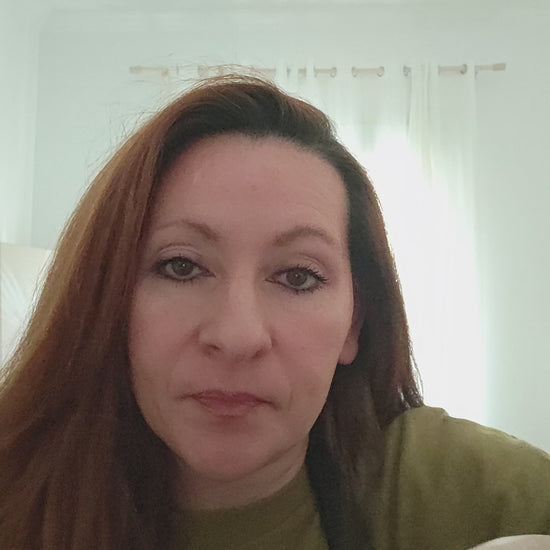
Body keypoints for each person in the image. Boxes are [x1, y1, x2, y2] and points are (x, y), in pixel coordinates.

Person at [0, 75, 548, 550]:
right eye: (182, 267)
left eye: (298, 277)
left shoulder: (458, 490)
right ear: (108, 299)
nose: (237, 337)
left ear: (353, 325)